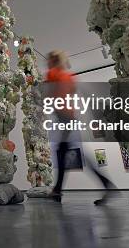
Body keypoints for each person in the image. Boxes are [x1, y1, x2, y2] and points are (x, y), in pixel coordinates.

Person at [45, 50, 115, 204]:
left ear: (54, 61)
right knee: (65, 153)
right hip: (68, 119)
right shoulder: (67, 77)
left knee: (65, 153)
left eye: (49, 60)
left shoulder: (56, 74)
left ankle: (58, 190)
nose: (47, 63)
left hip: (65, 119)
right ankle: (58, 190)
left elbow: (54, 97)